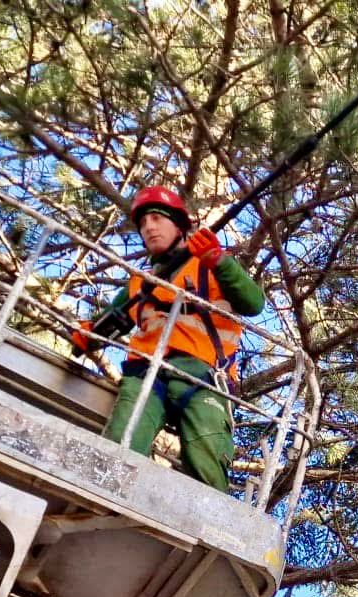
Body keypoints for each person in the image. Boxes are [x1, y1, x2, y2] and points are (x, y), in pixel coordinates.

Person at [71, 186, 265, 491]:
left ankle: (206, 526)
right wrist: (88, 336)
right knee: (123, 438)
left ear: (179, 225)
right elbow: (109, 322)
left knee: (207, 457)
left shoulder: (209, 264)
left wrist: (218, 259)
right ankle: (100, 493)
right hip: (146, 373)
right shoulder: (139, 282)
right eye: (143, 223)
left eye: (157, 218)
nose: (148, 227)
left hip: (202, 376)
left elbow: (253, 303)